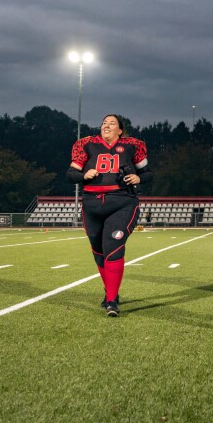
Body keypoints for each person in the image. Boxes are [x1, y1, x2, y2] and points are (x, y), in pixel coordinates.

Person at [67, 114, 154, 317]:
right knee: (98, 251)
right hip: (91, 204)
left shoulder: (133, 145)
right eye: (104, 123)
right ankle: (110, 292)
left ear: (120, 130)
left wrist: (138, 178)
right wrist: (83, 175)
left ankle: (112, 300)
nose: (106, 125)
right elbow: (70, 174)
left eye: (112, 123)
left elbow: (149, 173)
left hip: (122, 202)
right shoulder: (86, 144)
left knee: (112, 246)